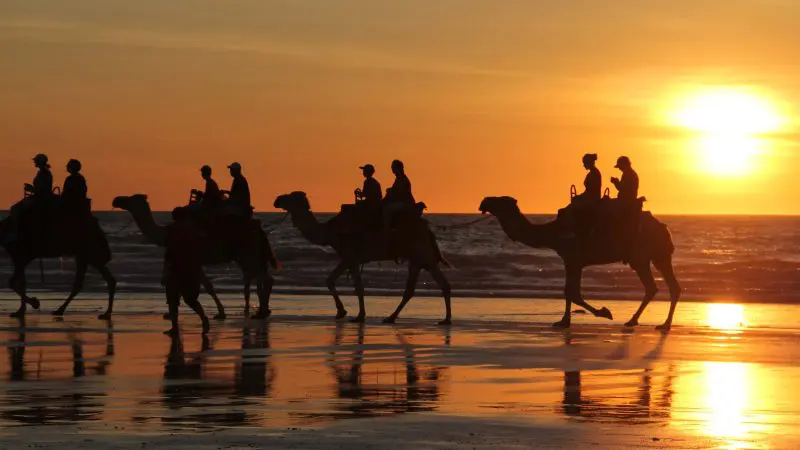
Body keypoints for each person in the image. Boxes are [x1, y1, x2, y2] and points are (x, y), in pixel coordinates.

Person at [382, 160, 416, 232]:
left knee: (387, 209)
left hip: (405, 203)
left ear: (398, 168)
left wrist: (391, 192)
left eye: (393, 167)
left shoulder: (403, 179)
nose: (392, 169)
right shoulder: (398, 179)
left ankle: (387, 229)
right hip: (401, 201)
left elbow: (400, 194)